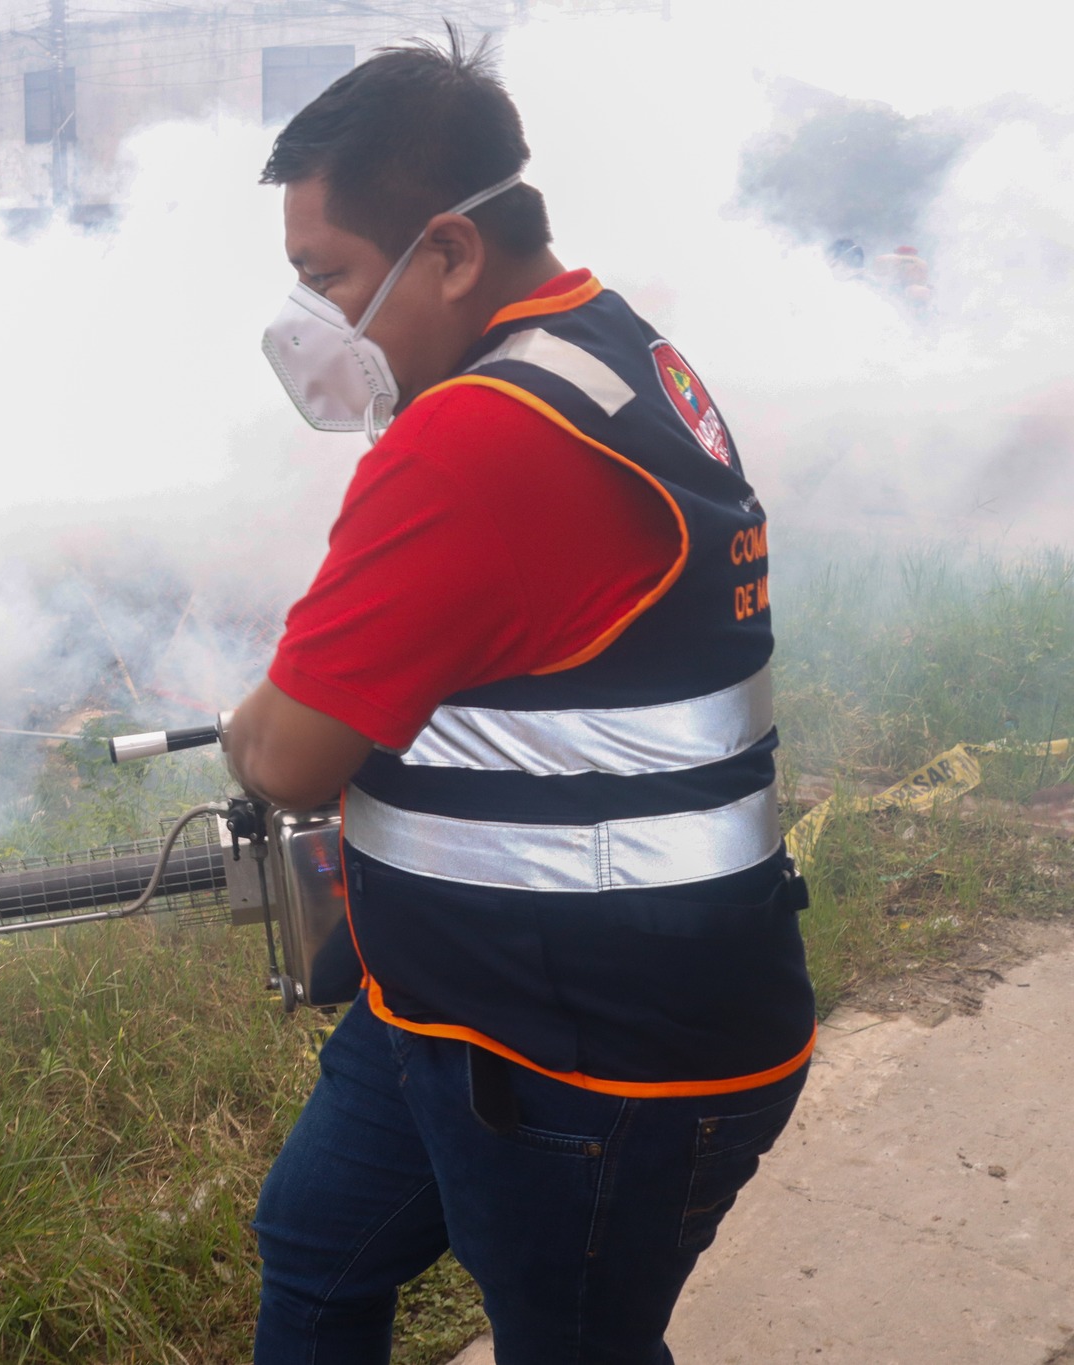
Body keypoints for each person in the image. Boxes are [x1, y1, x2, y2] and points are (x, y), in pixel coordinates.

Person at [223, 33, 814, 1365]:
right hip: (460, 998)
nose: (312, 325)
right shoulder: (615, 352)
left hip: (591, 1061)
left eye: (327, 279)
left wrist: (256, 720)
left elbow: (293, 756)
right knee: (318, 1244)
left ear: (447, 254)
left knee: (574, 1345)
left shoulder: (476, 437)